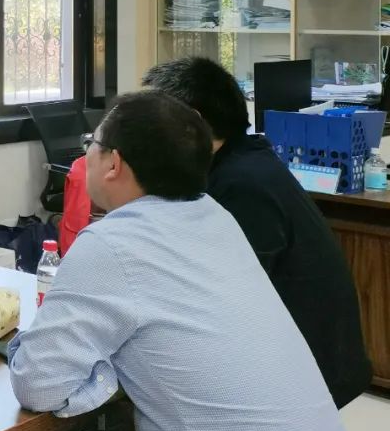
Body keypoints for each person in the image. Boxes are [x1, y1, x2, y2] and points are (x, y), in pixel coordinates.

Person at [7, 91, 357, 431]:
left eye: (91, 142)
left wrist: (106, 373)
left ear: (114, 163)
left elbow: (37, 383)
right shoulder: (217, 217)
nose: (86, 153)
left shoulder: (113, 243)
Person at [142, 56, 371, 408]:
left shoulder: (243, 184)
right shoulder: (242, 161)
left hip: (307, 375)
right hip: (295, 359)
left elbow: (227, 297)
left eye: (152, 121)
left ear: (192, 124)